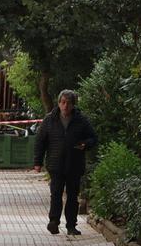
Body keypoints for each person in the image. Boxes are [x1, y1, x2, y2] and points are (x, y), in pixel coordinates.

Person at [34, 89, 98, 235]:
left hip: (74, 163)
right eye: (63, 102)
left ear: (73, 105)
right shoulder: (50, 120)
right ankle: (54, 221)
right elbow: (40, 141)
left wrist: (85, 144)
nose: (65, 106)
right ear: (58, 103)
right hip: (55, 164)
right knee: (55, 194)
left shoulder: (81, 120)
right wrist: (37, 162)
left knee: (72, 195)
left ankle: (71, 225)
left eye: (68, 103)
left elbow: (93, 138)